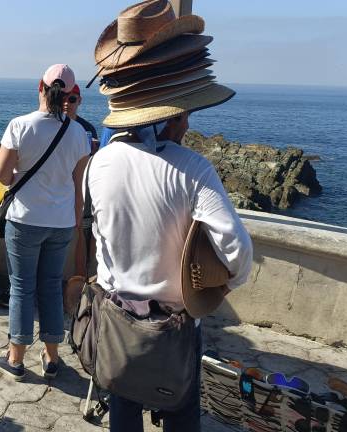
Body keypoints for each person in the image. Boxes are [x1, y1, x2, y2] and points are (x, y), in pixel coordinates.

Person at [87, 1, 253, 430]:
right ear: (173, 112)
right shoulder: (193, 169)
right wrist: (220, 288)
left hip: (118, 320)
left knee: (123, 406)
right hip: (174, 326)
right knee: (180, 412)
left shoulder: (99, 163)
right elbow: (237, 251)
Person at [0, 64, 89, 381]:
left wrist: (19, 176)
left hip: (25, 219)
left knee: (22, 287)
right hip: (60, 223)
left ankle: (15, 358)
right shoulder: (79, 134)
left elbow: (1, 175)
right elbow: (78, 185)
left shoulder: (20, 125)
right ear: (71, 95)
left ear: (40, 87)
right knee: (50, 287)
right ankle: (51, 356)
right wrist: (74, 221)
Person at [64, 84, 99, 278]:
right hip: (59, 188)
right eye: (63, 98)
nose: (66, 103)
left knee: (82, 233)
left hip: (81, 188)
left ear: (79, 101)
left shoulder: (87, 129)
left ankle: (80, 279)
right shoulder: (52, 125)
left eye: (72, 99)